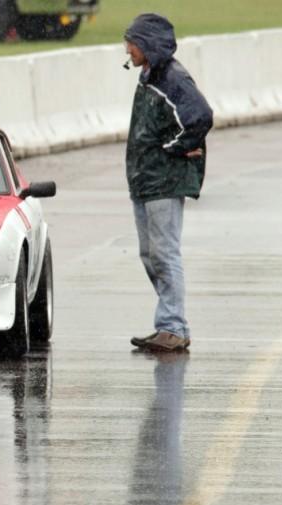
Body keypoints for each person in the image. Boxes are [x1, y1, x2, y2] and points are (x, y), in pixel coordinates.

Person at [124, 13, 213, 352]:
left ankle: (173, 326)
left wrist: (174, 149)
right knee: (150, 254)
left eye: (132, 43)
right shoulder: (149, 75)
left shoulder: (172, 78)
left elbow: (200, 116)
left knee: (164, 253)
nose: (128, 49)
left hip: (163, 181)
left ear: (147, 45)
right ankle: (169, 324)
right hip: (145, 181)